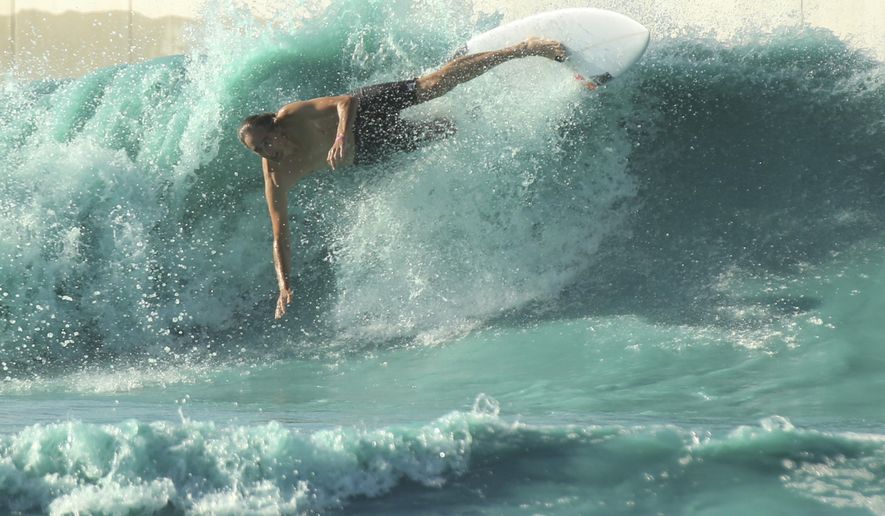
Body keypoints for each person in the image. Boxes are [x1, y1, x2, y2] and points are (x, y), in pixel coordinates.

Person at [238, 38, 568, 319]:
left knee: (432, 86)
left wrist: (340, 137)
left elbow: (344, 102)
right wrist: (285, 285)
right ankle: (486, 107)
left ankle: (522, 50)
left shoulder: (293, 115)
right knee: (442, 130)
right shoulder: (277, 175)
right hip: (367, 149)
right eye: (258, 150)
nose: (267, 151)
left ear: (276, 128)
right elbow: (279, 232)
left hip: (360, 111)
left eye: (266, 141)